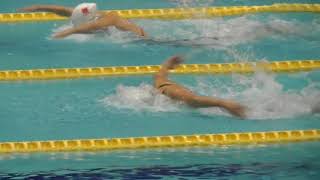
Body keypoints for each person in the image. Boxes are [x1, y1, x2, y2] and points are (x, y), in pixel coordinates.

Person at [154, 56, 246, 118]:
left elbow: (192, 100)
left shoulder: (166, 90)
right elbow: (159, 75)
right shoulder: (160, 86)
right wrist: (167, 65)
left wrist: (223, 103)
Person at [18, 3, 146, 38]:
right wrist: (39, 7)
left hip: (142, 41)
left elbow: (89, 26)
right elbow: (63, 10)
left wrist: (66, 33)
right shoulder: (93, 14)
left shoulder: (107, 19)